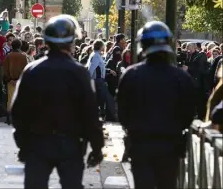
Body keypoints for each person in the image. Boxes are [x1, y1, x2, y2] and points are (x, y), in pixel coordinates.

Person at [11, 15, 104, 189]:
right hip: (70, 144)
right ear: (71, 42)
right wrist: (97, 147)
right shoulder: (79, 73)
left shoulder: (32, 71)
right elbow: (91, 113)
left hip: (37, 143)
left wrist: (23, 144)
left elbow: (18, 112)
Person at [117, 21, 196, 189]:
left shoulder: (131, 75)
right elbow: (189, 113)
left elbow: (122, 112)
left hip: (141, 145)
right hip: (170, 145)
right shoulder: (181, 78)